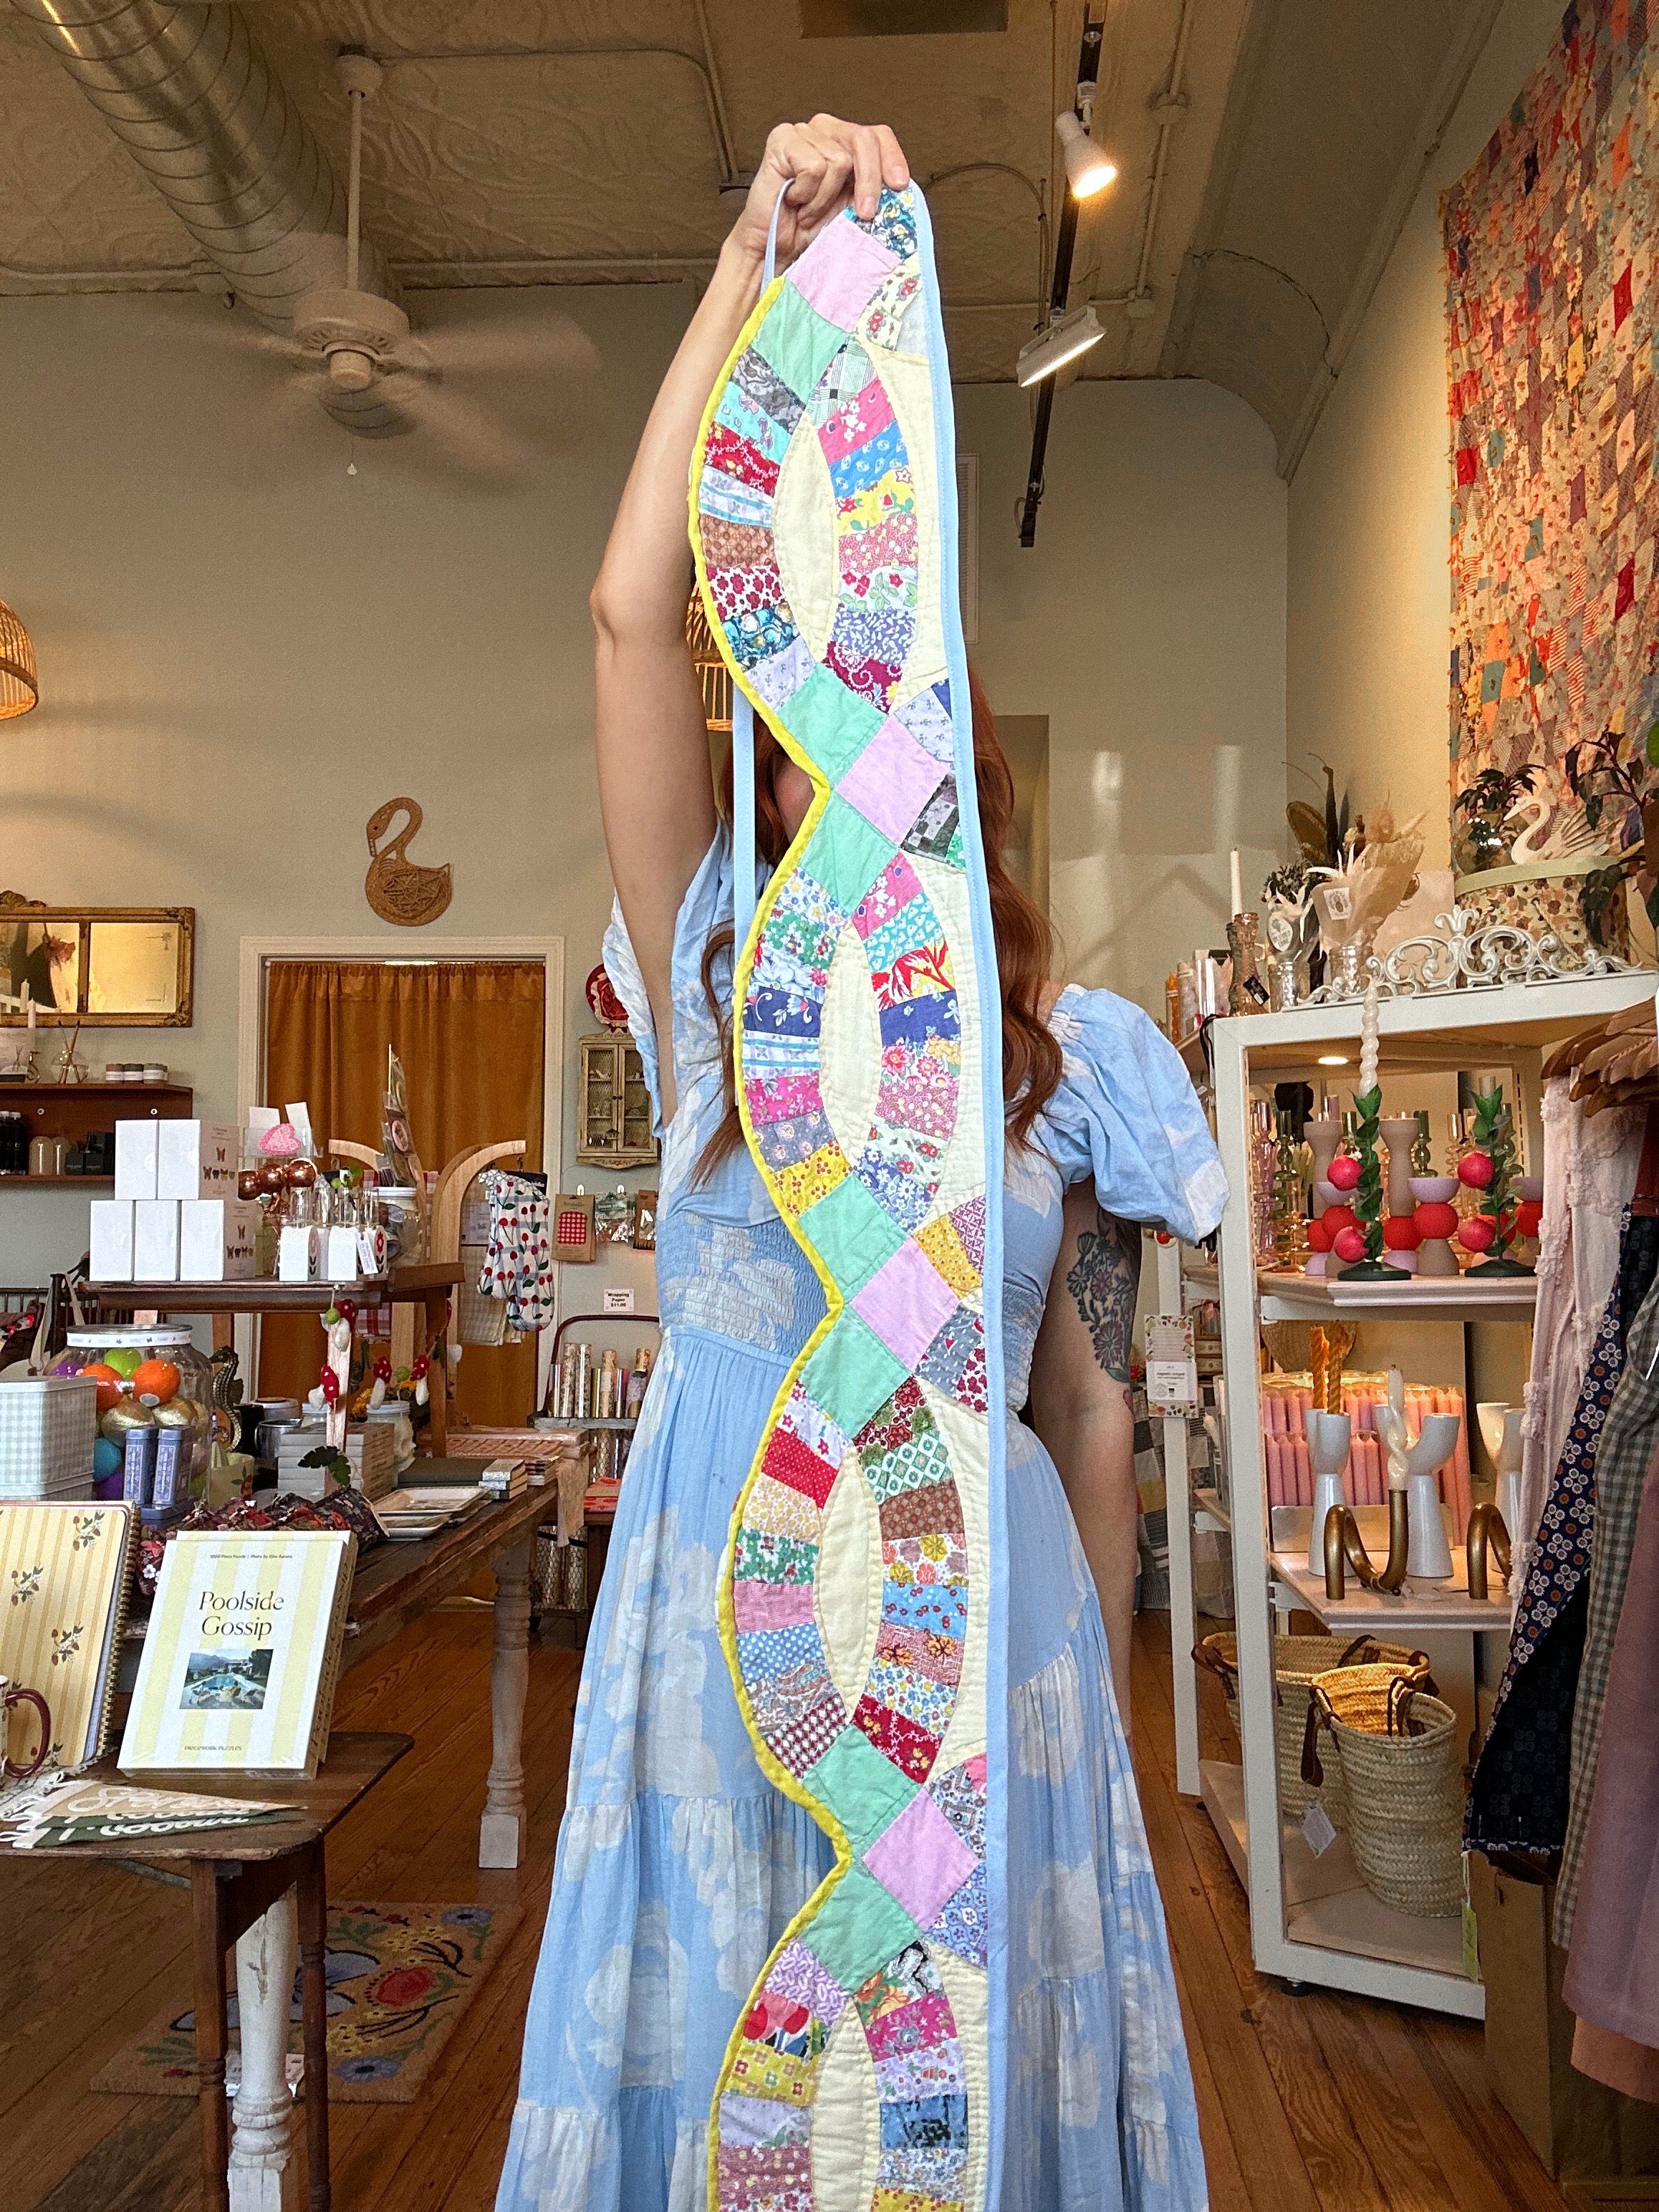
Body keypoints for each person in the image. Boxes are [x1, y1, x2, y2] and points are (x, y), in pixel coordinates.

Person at [499, 115, 1225, 2212]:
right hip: (740, 1562)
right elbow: (636, 622)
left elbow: (1082, 1409)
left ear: (967, 810)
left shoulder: (1059, 1066)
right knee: (738, 2034)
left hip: (979, 1611)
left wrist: (1084, 1726)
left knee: (943, 2093)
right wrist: (748, 251)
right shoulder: (728, 975)